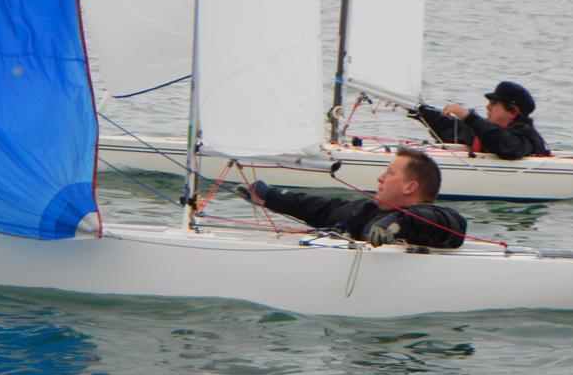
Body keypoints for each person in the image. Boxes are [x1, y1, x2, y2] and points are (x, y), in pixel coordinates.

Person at [235, 147, 467, 249]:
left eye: (390, 173)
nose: (380, 178)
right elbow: (323, 209)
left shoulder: (435, 219)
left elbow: (453, 225)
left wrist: (401, 222)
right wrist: (270, 197)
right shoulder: (370, 212)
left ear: (410, 187)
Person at [409, 81, 549, 160]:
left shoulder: (526, 137)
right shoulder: (489, 133)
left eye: (494, 103)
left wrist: (469, 116)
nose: (487, 107)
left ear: (512, 112)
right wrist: (419, 110)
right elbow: (455, 131)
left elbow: (506, 145)